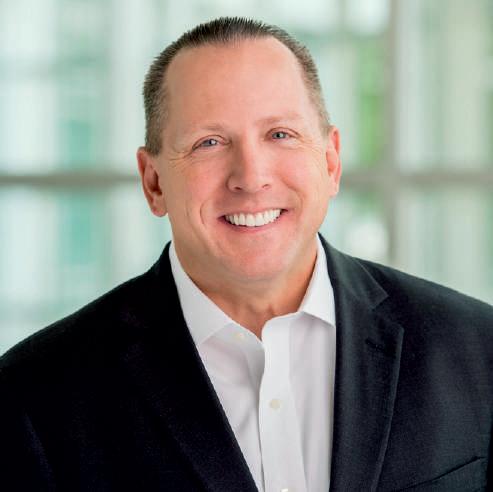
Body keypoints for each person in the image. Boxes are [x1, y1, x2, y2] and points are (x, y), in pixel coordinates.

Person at [0, 16, 492, 492]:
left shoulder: (478, 350)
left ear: (331, 162)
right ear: (153, 183)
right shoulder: (33, 397)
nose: (251, 177)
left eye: (280, 134)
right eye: (209, 142)